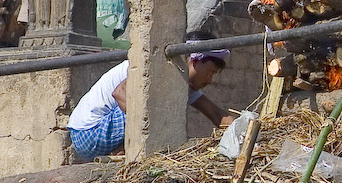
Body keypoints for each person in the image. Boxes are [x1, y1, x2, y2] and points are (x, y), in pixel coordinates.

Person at [67, 31, 235, 160]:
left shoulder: (183, 84)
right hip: (88, 133)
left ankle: (121, 150)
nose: (210, 80)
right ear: (194, 61)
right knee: (157, 109)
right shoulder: (156, 67)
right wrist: (151, 130)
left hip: (98, 134)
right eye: (210, 72)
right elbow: (120, 94)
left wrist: (246, 129)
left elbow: (216, 114)